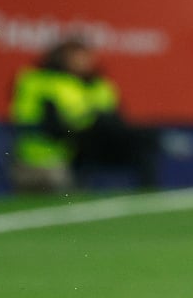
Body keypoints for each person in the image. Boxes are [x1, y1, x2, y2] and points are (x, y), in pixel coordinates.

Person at [9, 37, 155, 192]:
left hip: (86, 145)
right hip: (52, 150)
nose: (82, 62)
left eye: (85, 57)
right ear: (61, 58)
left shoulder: (99, 84)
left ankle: (148, 193)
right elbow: (53, 125)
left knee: (143, 139)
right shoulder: (44, 82)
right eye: (76, 58)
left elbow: (116, 119)